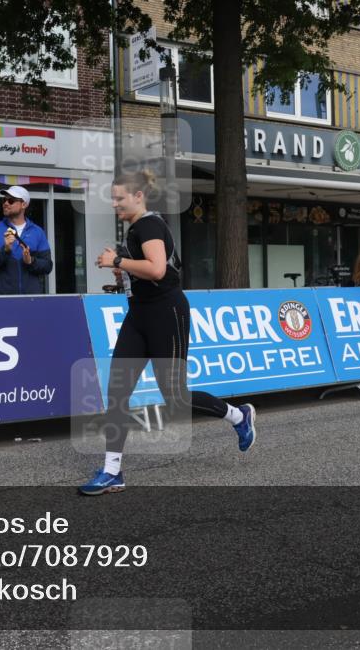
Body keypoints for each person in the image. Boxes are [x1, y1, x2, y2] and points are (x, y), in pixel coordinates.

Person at [80, 170, 256, 496]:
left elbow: (158, 269)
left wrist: (117, 259)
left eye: (120, 198)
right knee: (117, 390)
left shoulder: (148, 224)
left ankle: (238, 415)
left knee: (175, 399)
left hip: (166, 313)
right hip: (139, 315)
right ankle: (112, 471)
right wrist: (125, 272)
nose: (115, 203)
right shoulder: (138, 228)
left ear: (137, 196)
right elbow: (151, 271)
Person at [0, 185, 53, 295]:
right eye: (4, 200)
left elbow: (48, 266)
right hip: (1, 300)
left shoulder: (37, 232)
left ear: (24, 204)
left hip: (31, 299)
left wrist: (31, 261)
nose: (5, 203)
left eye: (11, 201)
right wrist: (4, 251)